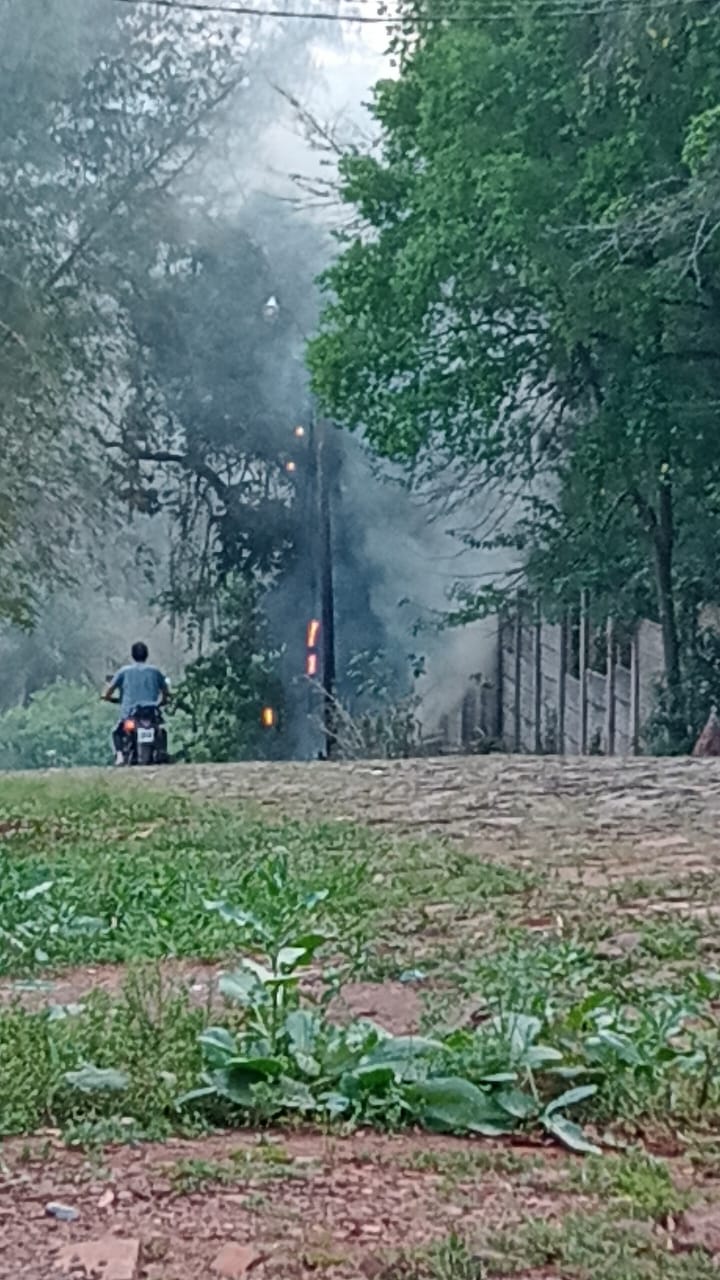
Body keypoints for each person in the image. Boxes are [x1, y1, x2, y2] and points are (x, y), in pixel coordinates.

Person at [102, 642, 169, 765]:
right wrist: (162, 701)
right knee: (160, 730)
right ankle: (162, 751)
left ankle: (120, 756)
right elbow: (165, 691)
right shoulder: (155, 672)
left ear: (132, 655)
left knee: (117, 732)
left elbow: (109, 690)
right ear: (146, 655)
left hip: (130, 717)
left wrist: (107, 697)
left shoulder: (124, 671)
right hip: (152, 714)